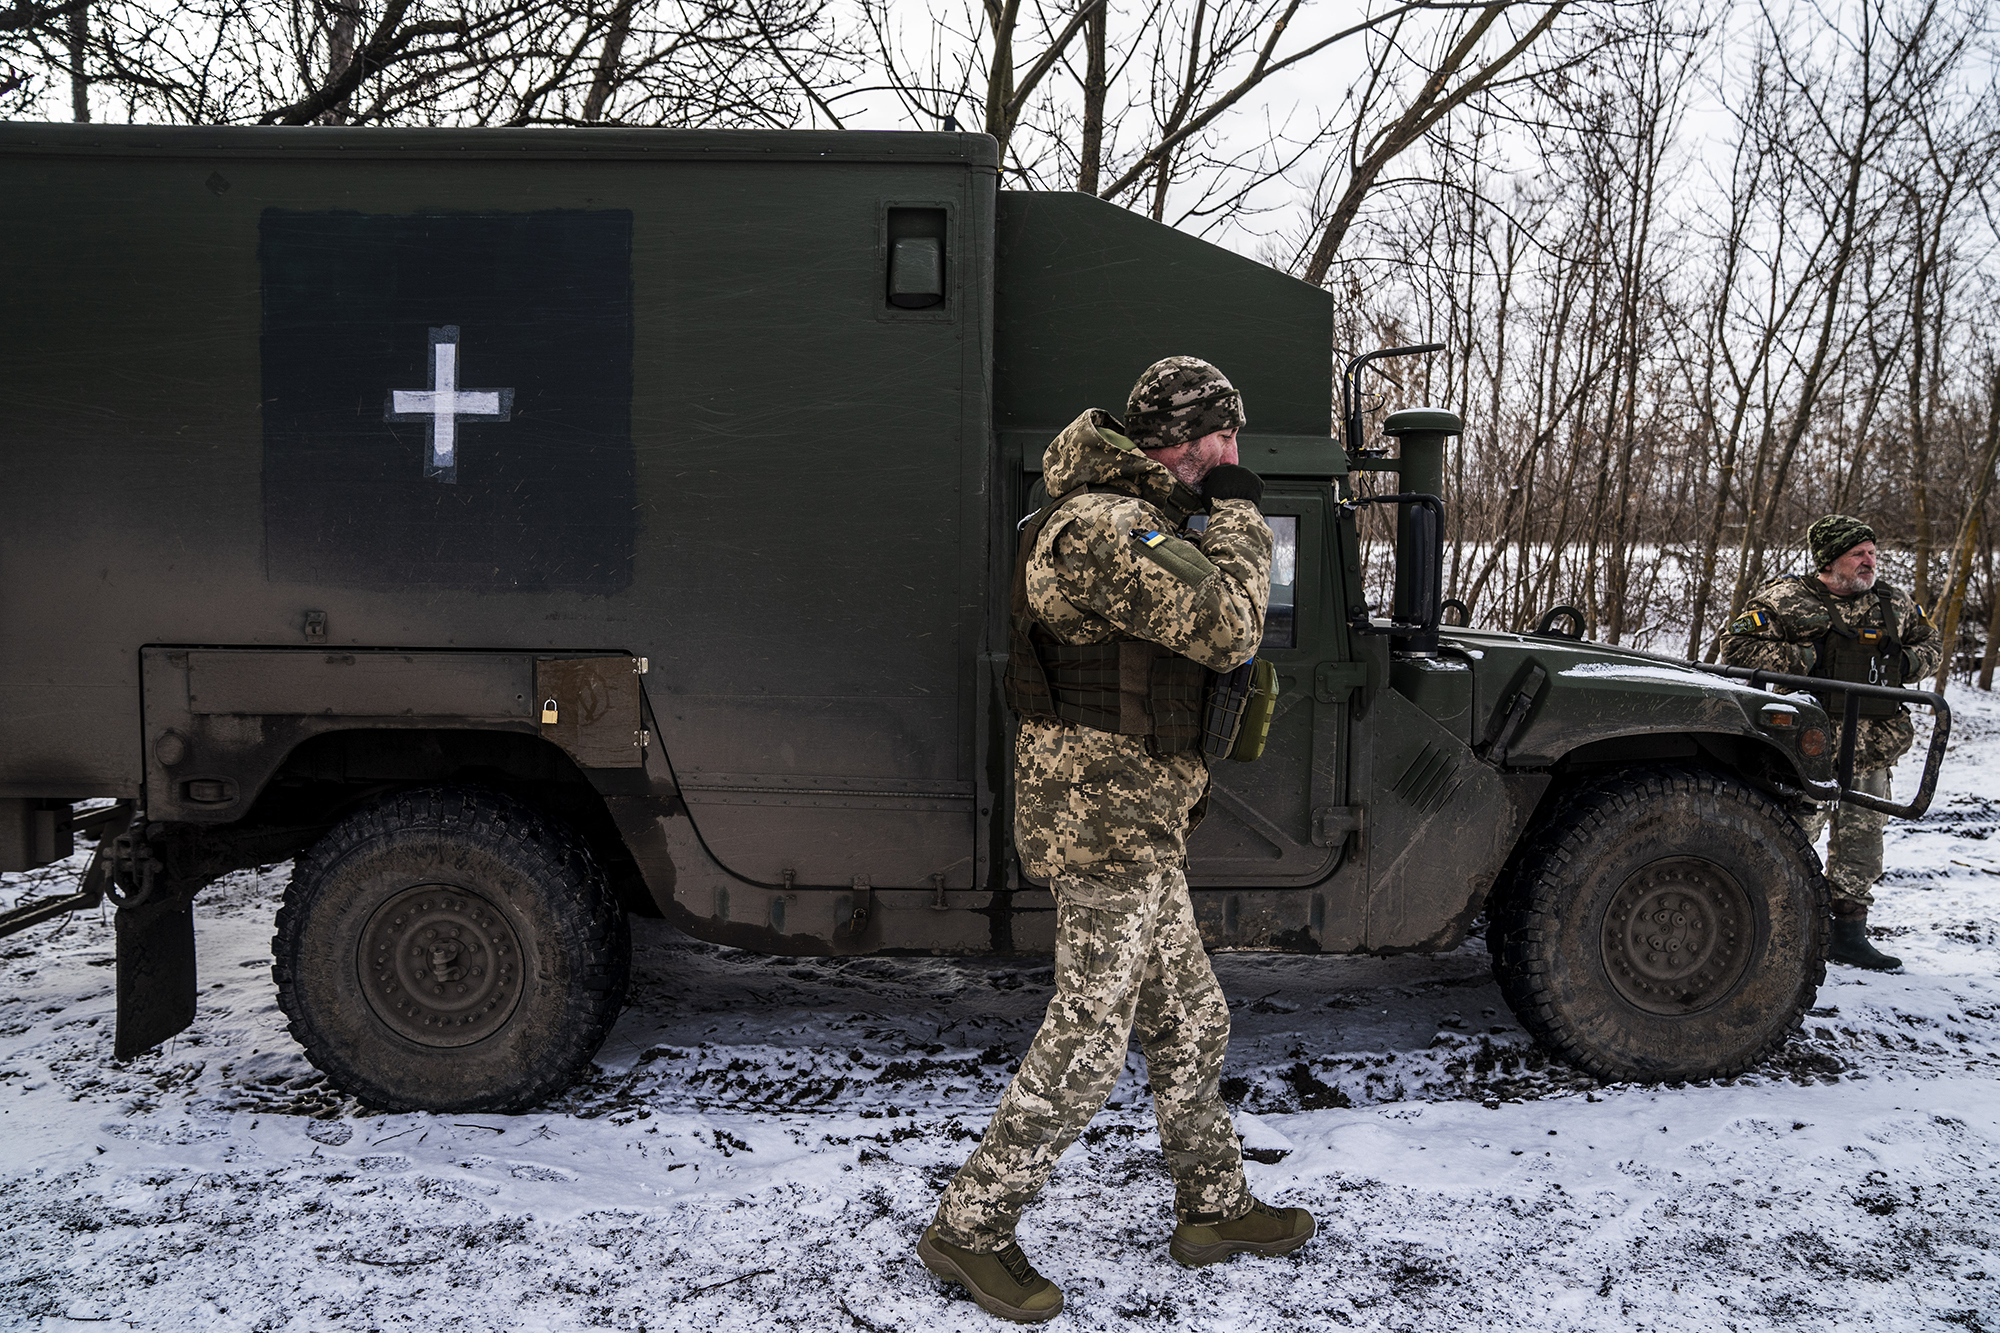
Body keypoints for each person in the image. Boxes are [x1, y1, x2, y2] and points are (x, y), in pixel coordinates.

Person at [915, 357, 1314, 1324]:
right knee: (1091, 1039)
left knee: (1191, 1016)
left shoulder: (1129, 519)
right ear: (1195, 438)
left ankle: (1211, 1207)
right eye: (1227, 438)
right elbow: (1229, 625)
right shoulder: (1101, 525)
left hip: (1138, 817)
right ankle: (970, 1228)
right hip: (1103, 823)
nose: (1233, 454)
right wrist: (1241, 509)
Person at [1721, 514, 1940, 971]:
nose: (1868, 561)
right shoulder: (1787, 599)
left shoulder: (1894, 602)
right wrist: (1809, 657)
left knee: (1862, 845)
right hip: (1805, 749)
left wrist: (1907, 664)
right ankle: (1771, 932)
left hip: (1873, 745)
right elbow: (1736, 650)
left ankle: (1848, 934)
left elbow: (1932, 644)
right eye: (1858, 554)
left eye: (1872, 553)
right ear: (1829, 560)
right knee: (1791, 838)